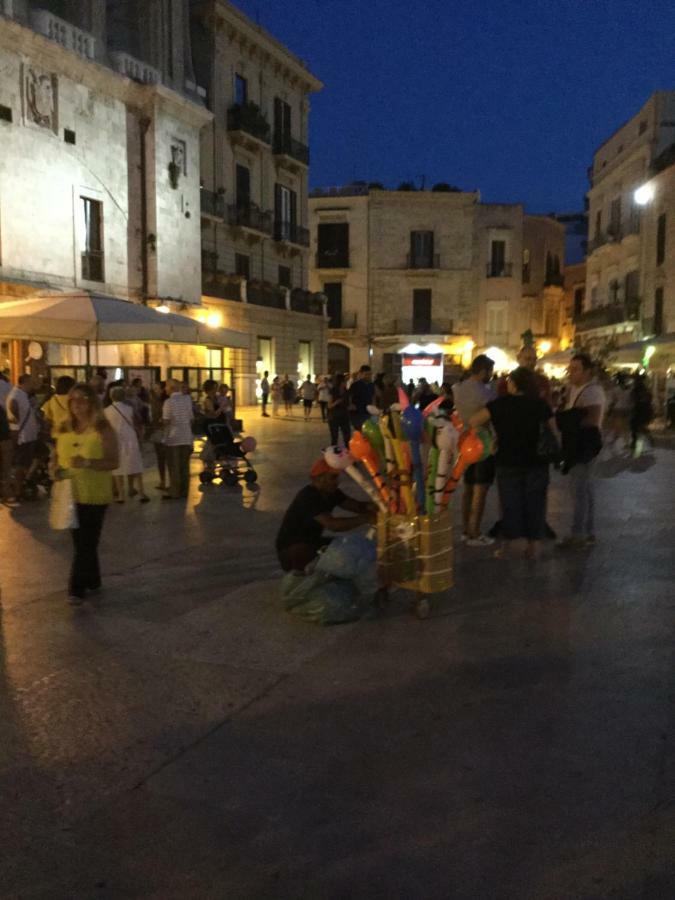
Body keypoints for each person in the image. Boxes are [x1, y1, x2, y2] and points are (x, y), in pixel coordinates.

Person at [471, 367, 554, 560]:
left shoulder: (500, 404)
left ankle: (506, 545)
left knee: (509, 504)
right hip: (536, 461)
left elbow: (474, 420)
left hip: (507, 460)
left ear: (515, 384)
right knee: (536, 503)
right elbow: (554, 430)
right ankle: (533, 547)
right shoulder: (540, 404)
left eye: (509, 381)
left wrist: (491, 435)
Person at [53, 383, 119, 605]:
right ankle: (93, 579)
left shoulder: (103, 429)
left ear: (92, 402)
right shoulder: (64, 427)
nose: (77, 404)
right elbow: (56, 455)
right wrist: (54, 467)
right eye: (73, 399)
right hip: (70, 492)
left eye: (82, 399)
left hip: (94, 493)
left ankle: (76, 588)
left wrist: (88, 462)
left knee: (86, 542)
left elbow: (113, 461)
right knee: (81, 541)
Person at [276, 458, 376, 572]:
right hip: (292, 548)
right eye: (332, 477)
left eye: (337, 477)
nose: (337, 481)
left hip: (311, 542)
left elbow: (357, 506)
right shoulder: (309, 497)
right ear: (319, 479)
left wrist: (379, 506)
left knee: (347, 551)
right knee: (343, 556)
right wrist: (366, 518)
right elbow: (333, 525)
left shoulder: (331, 492)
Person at [556, 353, 605, 548]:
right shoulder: (572, 389)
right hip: (579, 444)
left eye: (575, 369)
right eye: (570, 368)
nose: (571, 372)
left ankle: (579, 535)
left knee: (579, 490)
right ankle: (588, 532)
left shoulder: (592, 392)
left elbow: (593, 419)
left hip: (584, 445)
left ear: (587, 371)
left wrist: (566, 422)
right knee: (585, 489)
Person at [452, 354, 496, 546]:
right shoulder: (486, 394)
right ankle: (474, 532)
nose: (491, 376)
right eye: (490, 372)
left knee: (468, 487)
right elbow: (492, 417)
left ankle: (465, 529)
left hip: (464, 441)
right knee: (481, 487)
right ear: (483, 371)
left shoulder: (459, 389)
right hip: (482, 442)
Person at [104, 387, 149, 503]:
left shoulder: (107, 410)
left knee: (118, 468)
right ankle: (142, 492)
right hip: (130, 438)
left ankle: (121, 495)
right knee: (135, 465)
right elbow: (137, 421)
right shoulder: (129, 409)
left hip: (116, 439)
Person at [6, 373, 40, 499]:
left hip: (30, 434)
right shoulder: (16, 394)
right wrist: (17, 419)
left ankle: (25, 482)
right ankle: (18, 489)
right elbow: (12, 405)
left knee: (37, 455)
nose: (33, 385)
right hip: (24, 435)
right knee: (22, 463)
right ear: (25, 382)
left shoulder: (23, 395)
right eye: (31, 382)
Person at [162, 379, 194, 500]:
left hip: (173, 437)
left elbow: (166, 421)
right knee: (184, 466)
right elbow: (191, 418)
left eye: (166, 386)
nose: (165, 388)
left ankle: (175, 492)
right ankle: (185, 491)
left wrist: (161, 422)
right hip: (186, 436)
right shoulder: (187, 399)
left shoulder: (168, 402)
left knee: (174, 466)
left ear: (171, 388)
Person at [149, 381, 168, 491]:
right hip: (157, 430)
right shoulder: (154, 401)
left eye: (157, 388)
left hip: (163, 430)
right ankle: (163, 480)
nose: (155, 391)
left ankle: (166, 481)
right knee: (160, 457)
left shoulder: (165, 402)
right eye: (154, 389)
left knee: (166, 457)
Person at [630, 373, 654, 455]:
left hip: (639, 411)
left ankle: (637, 448)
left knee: (637, 429)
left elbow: (633, 400)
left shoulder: (637, 390)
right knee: (639, 429)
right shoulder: (646, 390)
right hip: (645, 411)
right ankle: (637, 446)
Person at [348, 364, 375, 431]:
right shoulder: (355, 385)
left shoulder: (371, 385)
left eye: (370, 374)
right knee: (360, 431)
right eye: (366, 374)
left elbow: (373, 396)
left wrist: (373, 406)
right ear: (361, 374)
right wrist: (351, 405)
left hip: (368, 411)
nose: (368, 376)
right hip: (358, 412)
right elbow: (349, 396)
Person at [327, 372, 351, 447]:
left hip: (344, 416)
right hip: (334, 416)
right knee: (334, 436)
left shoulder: (346, 391)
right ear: (341, 382)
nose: (346, 383)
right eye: (345, 381)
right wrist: (336, 402)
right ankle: (333, 453)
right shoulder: (333, 391)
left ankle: (348, 451)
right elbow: (329, 405)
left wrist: (350, 406)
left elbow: (348, 403)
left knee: (347, 435)